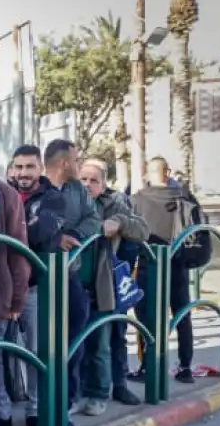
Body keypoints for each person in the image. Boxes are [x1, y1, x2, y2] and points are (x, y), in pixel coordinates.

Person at [78, 160, 149, 410]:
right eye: (83, 179)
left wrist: (120, 222)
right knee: (77, 343)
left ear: (103, 183)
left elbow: (142, 229)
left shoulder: (114, 204)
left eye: (93, 180)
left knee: (107, 340)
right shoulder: (69, 199)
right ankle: (79, 393)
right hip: (74, 283)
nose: (87, 184)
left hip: (107, 285)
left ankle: (109, 389)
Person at [10, 145, 68, 426]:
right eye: (18, 166)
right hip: (3, 285)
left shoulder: (54, 199)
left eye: (29, 167)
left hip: (35, 287)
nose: (23, 173)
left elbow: (41, 233)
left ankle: (35, 411)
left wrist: (13, 230)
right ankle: (2, 413)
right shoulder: (2, 193)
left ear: (40, 169)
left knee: (36, 351)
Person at [130, 156, 202, 384]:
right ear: (167, 172)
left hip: (148, 266)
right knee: (182, 315)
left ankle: (148, 366)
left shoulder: (137, 200)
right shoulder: (186, 197)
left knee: (146, 317)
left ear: (148, 174)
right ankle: (185, 367)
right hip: (178, 264)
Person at [43, 139, 100, 422]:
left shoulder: (78, 190)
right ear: (64, 163)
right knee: (41, 345)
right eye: (77, 160)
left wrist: (74, 235)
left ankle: (67, 400)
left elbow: (94, 219)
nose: (80, 165)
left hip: (70, 274)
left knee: (74, 337)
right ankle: (42, 406)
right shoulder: (37, 184)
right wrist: (56, 238)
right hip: (39, 278)